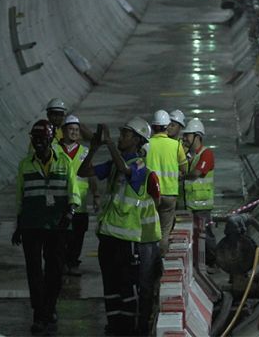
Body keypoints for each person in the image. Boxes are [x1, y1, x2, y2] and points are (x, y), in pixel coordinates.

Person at [78, 118, 160, 336]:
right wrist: (95, 147)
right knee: (111, 288)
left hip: (127, 239)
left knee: (128, 287)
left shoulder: (140, 165)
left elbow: (126, 169)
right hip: (108, 236)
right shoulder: (114, 164)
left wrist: (109, 144)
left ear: (137, 140)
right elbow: (83, 172)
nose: (120, 137)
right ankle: (114, 327)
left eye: (125, 134)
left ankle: (131, 329)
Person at [12, 119, 81, 335]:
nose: (38, 143)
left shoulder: (64, 163)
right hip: (32, 225)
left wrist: (70, 212)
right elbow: (19, 198)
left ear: (51, 139)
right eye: (35, 139)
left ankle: (48, 308)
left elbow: (74, 191)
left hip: (57, 226)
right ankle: (39, 314)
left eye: (42, 139)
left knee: (54, 271)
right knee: (34, 271)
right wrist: (18, 225)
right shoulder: (25, 164)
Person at [56, 115, 100, 276]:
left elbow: (92, 175)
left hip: (80, 203)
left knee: (78, 235)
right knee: (61, 236)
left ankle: (73, 263)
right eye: (71, 129)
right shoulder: (55, 150)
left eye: (76, 130)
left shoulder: (84, 152)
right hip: (60, 201)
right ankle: (61, 263)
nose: (74, 133)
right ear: (63, 131)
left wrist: (96, 196)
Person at [145, 110, 188, 254]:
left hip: (150, 194)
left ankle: (149, 257)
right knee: (164, 230)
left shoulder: (146, 145)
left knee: (149, 228)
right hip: (170, 194)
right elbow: (184, 168)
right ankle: (161, 258)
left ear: (153, 126)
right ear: (166, 126)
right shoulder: (176, 145)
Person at [182, 118, 217, 268]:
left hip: (202, 205)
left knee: (206, 235)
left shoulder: (206, 154)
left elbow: (196, 173)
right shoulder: (191, 156)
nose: (184, 139)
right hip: (192, 205)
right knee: (196, 236)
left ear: (197, 136)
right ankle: (200, 263)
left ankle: (213, 261)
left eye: (187, 135)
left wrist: (182, 176)